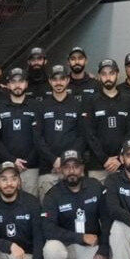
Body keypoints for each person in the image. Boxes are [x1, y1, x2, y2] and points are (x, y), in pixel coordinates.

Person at [41, 151, 111, 259]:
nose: (71, 171)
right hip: (67, 245)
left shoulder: (95, 186)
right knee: (50, 249)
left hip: (90, 246)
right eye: (67, 167)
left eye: (75, 166)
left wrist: (104, 250)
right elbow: (48, 228)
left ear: (82, 168)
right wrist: (80, 237)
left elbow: (107, 220)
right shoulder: (52, 195)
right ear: (61, 170)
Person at [35, 64, 90, 198]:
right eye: (55, 79)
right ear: (50, 81)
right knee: (49, 208)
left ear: (67, 80)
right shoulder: (41, 106)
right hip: (48, 170)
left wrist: (67, 159)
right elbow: (37, 138)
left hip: (73, 169)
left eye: (62, 79)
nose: (58, 83)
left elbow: (83, 137)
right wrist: (54, 160)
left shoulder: (78, 105)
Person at [84, 59, 130, 183]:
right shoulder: (91, 102)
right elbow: (89, 134)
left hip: (123, 164)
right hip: (98, 165)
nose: (108, 77)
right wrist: (104, 159)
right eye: (104, 74)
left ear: (117, 74)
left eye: (111, 73)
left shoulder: (129, 101)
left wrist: (120, 158)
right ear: (99, 76)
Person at [0, 68, 42, 194]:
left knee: (31, 202)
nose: (17, 85)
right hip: (6, 168)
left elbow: (40, 137)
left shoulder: (36, 106)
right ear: (8, 85)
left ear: (26, 84)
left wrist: (27, 162)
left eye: (21, 81)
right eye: (13, 82)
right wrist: (12, 160)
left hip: (31, 168)